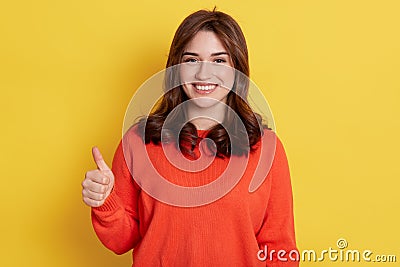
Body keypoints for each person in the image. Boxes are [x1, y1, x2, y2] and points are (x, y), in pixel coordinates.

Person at [82, 8, 299, 267]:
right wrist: (106, 202)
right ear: (176, 68)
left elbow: (280, 249)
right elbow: (120, 241)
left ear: (237, 69)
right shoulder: (138, 142)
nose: (203, 74)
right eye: (192, 60)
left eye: (219, 61)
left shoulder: (267, 148)